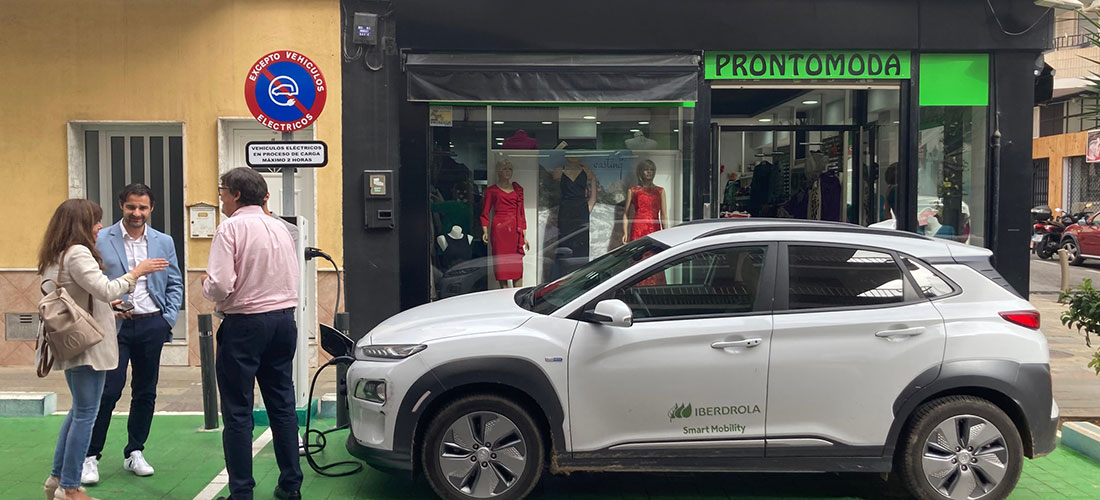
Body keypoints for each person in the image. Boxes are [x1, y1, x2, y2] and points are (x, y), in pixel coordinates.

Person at [39, 199, 168, 500]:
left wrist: (106, 306)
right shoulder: (78, 252)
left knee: (78, 411)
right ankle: (70, 487)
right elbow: (105, 288)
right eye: (95, 221)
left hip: (71, 340)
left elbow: (77, 295)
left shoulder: (55, 253)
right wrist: (137, 272)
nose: (99, 226)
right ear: (81, 225)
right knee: (86, 413)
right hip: (87, 345)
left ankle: (57, 479)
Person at [204, 167, 302, 500]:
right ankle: (291, 485)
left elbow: (220, 284)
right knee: (282, 404)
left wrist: (206, 287)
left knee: (237, 410)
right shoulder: (281, 227)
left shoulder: (230, 228)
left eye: (222, 192)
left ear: (235, 194)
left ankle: (242, 492)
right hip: (283, 320)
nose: (221, 199)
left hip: (245, 323)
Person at [81, 184, 184, 485]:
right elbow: (90, 283)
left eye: (142, 208)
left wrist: (167, 319)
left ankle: (135, 451)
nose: (137, 213)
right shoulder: (101, 238)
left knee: (145, 391)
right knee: (108, 391)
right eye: (131, 207)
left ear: (151, 209)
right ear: (121, 206)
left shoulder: (163, 241)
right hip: (114, 327)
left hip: (152, 324)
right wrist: (107, 308)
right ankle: (90, 456)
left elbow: (174, 282)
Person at [481, 158, 528, 288]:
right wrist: (485, 230)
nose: (508, 171)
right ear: (498, 171)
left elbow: (521, 212)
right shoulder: (491, 191)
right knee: (502, 265)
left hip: (515, 229)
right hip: (500, 230)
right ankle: (504, 294)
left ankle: (518, 294)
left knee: (516, 265)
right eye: (504, 169)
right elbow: (485, 212)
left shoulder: (517, 189)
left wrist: (524, 234)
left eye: (510, 169)